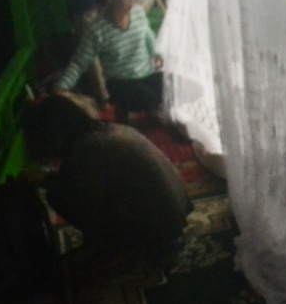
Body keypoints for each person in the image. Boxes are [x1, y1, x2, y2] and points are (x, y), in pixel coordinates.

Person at [22, 94, 192, 257]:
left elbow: (87, 201)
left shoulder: (88, 148)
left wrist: (46, 180)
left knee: (57, 196)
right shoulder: (110, 130)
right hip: (173, 217)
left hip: (159, 230)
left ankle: (121, 247)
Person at [54, 0, 164, 119]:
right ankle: (125, 112)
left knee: (170, 87)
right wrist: (61, 87)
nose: (132, 1)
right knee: (149, 99)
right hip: (120, 82)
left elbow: (148, 36)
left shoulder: (138, 13)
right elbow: (79, 63)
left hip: (146, 73)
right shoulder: (96, 30)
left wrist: (156, 53)